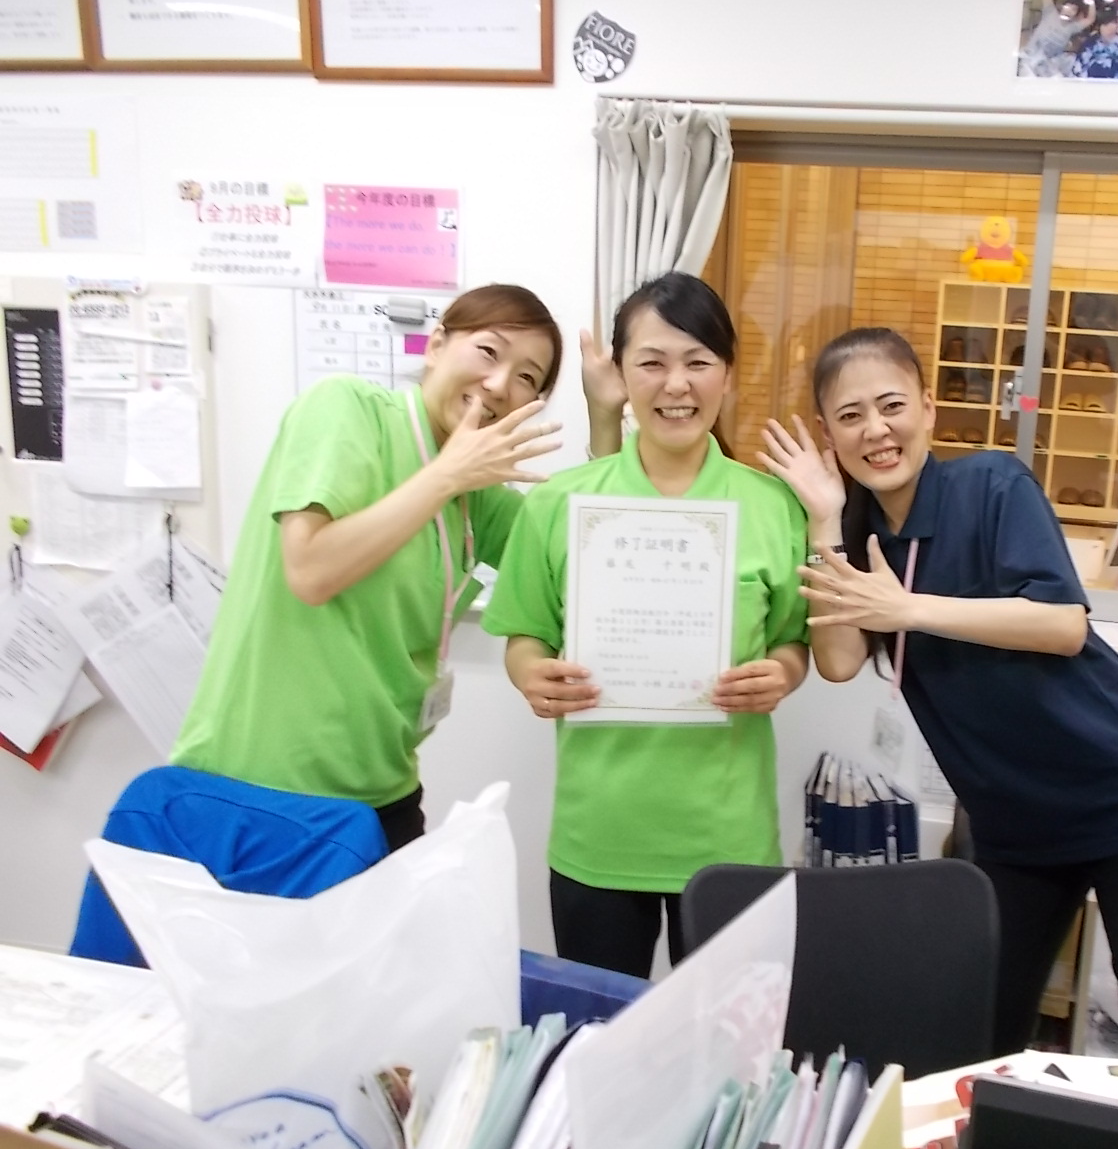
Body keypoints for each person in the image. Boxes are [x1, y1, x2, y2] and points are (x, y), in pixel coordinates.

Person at [758, 328, 1118, 1087]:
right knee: (977, 1039)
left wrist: (909, 608)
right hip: (1011, 826)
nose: (876, 430)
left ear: (929, 407)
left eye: (891, 406)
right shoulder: (859, 532)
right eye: (850, 416)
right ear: (827, 434)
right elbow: (839, 663)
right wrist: (822, 519)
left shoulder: (991, 486)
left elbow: (1063, 624)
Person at [483, 273, 810, 979]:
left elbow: (793, 641)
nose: (676, 385)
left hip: (728, 840)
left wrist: (781, 673)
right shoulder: (562, 504)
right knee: (601, 1033)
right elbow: (525, 635)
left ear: (727, 374)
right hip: (599, 837)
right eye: (652, 362)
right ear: (620, 377)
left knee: (724, 1037)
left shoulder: (773, 506)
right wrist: (531, 674)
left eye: (698, 362)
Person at [171, 285, 564, 852]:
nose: (500, 385)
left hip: (386, 790)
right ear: (436, 345)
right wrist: (447, 477)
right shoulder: (347, 409)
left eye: (527, 377)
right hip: (264, 788)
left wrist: (606, 419)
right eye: (488, 351)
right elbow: (310, 571)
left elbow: (574, 563)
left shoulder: (478, 495)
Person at [1019, 0, 1091, 76]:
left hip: (1047, 65)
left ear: (1076, 14)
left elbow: (1090, 19)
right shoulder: (1050, 12)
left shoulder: (1072, 27)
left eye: (1074, 9)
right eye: (1068, 7)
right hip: (1029, 59)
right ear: (1062, 7)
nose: (1069, 10)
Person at [1073, 9, 1118, 78]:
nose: (1109, 27)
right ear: (1099, 27)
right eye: (1105, 24)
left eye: (1113, 23)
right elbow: (1078, 67)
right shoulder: (1090, 43)